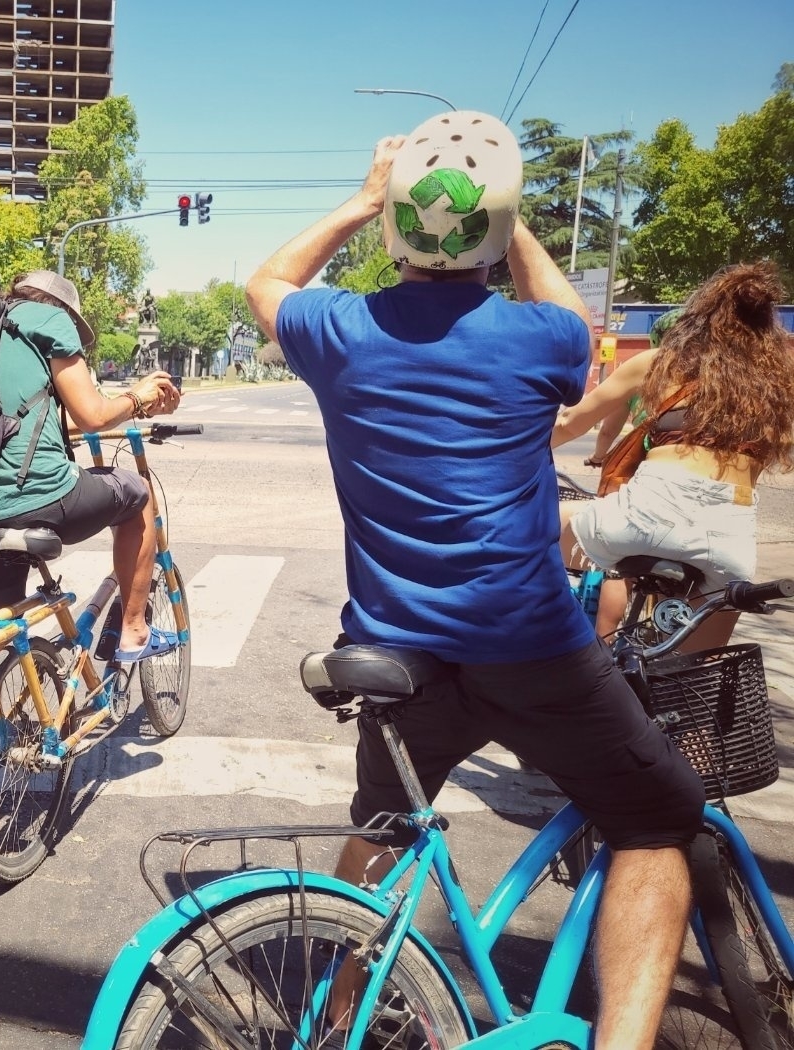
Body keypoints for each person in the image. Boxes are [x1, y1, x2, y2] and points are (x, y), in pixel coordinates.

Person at [246, 112, 704, 1050]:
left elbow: (267, 280)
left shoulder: (340, 329)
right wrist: (514, 220)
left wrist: (366, 198)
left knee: (384, 824)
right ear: (495, 234)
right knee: (658, 822)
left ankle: (335, 1021)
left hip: (393, 645)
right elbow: (580, 332)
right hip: (531, 645)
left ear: (393, 228)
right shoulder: (536, 340)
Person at [0, 270, 183, 821]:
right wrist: (140, 397)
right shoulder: (48, 323)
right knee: (137, 493)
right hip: (41, 499)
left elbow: (30, 424)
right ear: (64, 312)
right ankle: (133, 627)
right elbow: (94, 414)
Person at [553, 262, 794, 650]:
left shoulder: (659, 363)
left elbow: (569, 424)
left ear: (696, 320)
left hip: (645, 516)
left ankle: (537, 654)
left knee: (520, 528)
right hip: (730, 540)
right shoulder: (779, 387)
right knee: (695, 671)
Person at [581, 308, 681, 467]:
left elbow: (608, 431)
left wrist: (598, 457)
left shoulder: (640, 375)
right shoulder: (719, 378)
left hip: (652, 466)